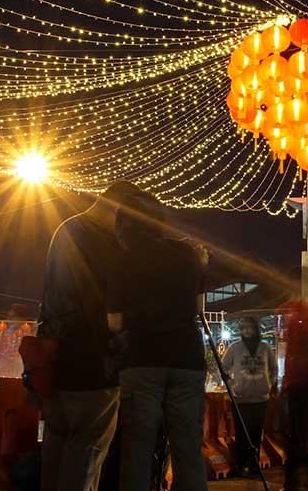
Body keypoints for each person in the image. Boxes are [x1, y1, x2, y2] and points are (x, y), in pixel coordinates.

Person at [39, 181, 141, 491]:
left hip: (54, 362)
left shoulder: (66, 230)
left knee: (55, 449)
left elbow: (52, 300)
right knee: (87, 453)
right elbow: (112, 308)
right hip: (94, 365)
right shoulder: (107, 242)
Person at [107, 191, 208, 491]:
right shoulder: (188, 254)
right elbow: (198, 309)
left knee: (137, 448)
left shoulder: (123, 259)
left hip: (143, 360)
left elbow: (114, 322)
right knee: (188, 448)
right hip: (187, 360)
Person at [222, 316, 277, 478]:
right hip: (240, 398)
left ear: (256, 329)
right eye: (244, 328)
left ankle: (254, 465)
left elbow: (274, 368)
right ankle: (242, 465)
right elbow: (223, 367)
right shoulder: (234, 347)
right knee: (241, 433)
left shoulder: (265, 347)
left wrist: (270, 383)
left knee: (256, 432)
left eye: (250, 327)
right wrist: (231, 385)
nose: (247, 331)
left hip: (261, 398)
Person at [280, 300, 308, 491]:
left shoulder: (300, 341)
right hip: (304, 393)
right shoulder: (301, 342)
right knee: (303, 439)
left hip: (302, 393)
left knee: (299, 438)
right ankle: (305, 481)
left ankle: (298, 481)